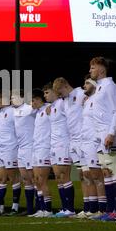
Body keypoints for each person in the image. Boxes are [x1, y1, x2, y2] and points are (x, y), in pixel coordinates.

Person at [89, 57, 116, 221]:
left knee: (113, 172)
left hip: (108, 135)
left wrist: (111, 133)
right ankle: (109, 211)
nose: (90, 70)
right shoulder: (100, 87)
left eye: (93, 67)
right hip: (100, 135)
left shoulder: (110, 86)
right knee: (106, 173)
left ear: (102, 69)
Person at [53, 77, 87, 216]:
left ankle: (94, 207)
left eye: (60, 92)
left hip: (84, 140)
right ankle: (88, 207)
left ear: (65, 86)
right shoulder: (64, 101)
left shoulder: (80, 94)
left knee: (89, 175)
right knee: (82, 175)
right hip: (73, 142)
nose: (59, 96)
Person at [78, 75, 108, 219]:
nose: (84, 85)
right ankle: (93, 209)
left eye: (86, 83)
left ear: (94, 84)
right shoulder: (87, 101)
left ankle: (103, 210)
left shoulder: (100, 99)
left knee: (98, 177)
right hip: (85, 142)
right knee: (88, 176)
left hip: (95, 142)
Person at [44, 83, 75, 217]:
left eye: (47, 92)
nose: (45, 95)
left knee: (64, 176)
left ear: (55, 92)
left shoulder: (63, 103)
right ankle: (64, 208)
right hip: (54, 145)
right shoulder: (51, 107)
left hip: (63, 144)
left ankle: (70, 209)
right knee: (57, 177)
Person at [0, 92, 21, 215]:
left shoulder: (12, 112)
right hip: (0, 149)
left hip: (10, 148)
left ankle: (15, 206)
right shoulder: (1, 113)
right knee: (0, 178)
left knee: (13, 178)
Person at [12, 89, 36, 216]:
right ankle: (30, 209)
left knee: (34, 179)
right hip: (20, 149)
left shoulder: (29, 108)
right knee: (26, 180)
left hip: (30, 148)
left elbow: (43, 108)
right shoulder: (12, 111)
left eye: (14, 97)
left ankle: (40, 207)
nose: (11, 99)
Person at [30, 89, 52, 217]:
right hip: (36, 148)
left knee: (42, 180)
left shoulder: (49, 108)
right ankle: (41, 209)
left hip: (45, 148)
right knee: (36, 180)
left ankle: (48, 210)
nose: (31, 103)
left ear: (39, 99)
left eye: (33, 100)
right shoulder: (37, 112)